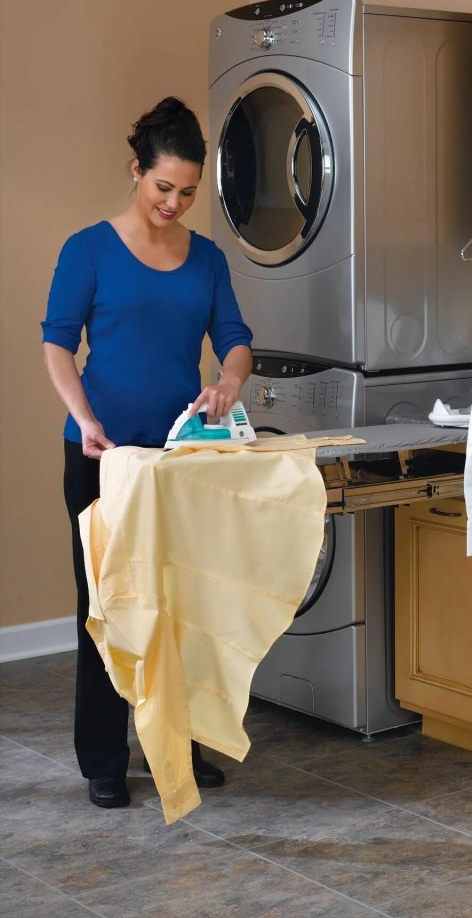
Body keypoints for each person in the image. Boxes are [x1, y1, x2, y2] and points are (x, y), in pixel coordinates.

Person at [41, 97, 254, 809]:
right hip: (100, 457)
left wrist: (228, 379)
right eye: (164, 186)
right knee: (106, 605)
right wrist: (85, 419)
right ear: (136, 172)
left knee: (182, 604)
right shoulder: (89, 250)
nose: (174, 202)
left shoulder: (209, 260)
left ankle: (183, 744)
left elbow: (234, 338)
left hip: (178, 461)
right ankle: (104, 757)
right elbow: (57, 346)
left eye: (188, 192)